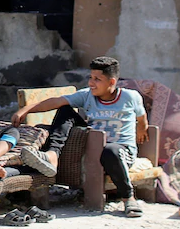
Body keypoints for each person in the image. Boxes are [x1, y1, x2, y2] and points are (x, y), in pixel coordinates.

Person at [12, 56, 147, 217]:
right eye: (90, 77)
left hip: (120, 152)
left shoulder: (130, 97)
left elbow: (142, 118)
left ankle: (128, 198)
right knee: (65, 110)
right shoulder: (87, 95)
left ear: (111, 82)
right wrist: (26, 110)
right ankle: (53, 154)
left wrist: (142, 129)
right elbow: (55, 101)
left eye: (97, 79)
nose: (91, 83)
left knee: (110, 150)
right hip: (93, 148)